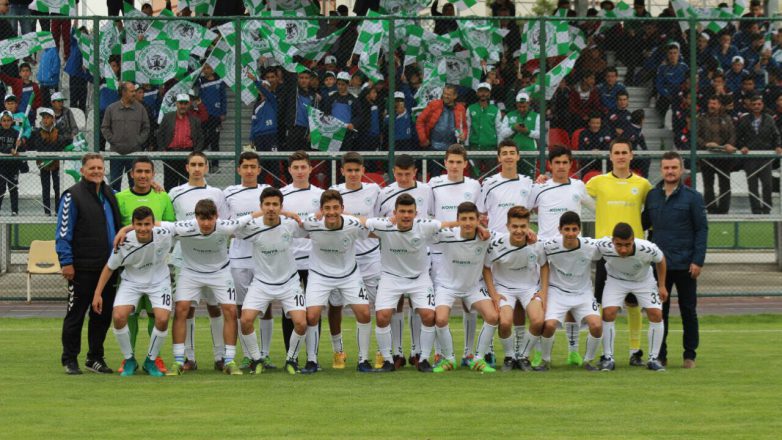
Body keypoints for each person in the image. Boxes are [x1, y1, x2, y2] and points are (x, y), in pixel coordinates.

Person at [119, 199, 255, 376]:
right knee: (181, 309)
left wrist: (285, 213)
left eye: (210, 218)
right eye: (202, 219)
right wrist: (124, 230)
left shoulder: (226, 226)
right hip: (190, 272)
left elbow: (251, 216)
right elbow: (152, 224)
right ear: (196, 218)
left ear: (217, 216)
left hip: (220, 273)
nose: (206, 223)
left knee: (230, 310)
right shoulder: (184, 227)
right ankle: (178, 361)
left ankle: (229, 361)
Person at [362, 194, 451, 373]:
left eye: (410, 212)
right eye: (402, 211)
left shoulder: (424, 226)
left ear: (416, 214)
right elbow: (361, 221)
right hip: (390, 277)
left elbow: (448, 224)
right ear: (394, 213)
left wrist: (479, 227)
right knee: (382, 317)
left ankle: (423, 359)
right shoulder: (384, 225)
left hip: (419, 278)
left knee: (428, 316)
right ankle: (388, 361)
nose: (406, 215)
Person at [586, 138, 652, 367]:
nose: (621, 156)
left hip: (634, 254)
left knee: (634, 304)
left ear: (631, 155)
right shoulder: (597, 182)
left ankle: (635, 351)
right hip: (607, 253)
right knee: (605, 304)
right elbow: (573, 191)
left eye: (625, 152)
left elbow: (654, 207)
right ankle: (606, 353)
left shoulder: (643, 185)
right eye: (617, 152)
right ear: (610, 156)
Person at [56, 153, 122, 375]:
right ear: (82, 171)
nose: (96, 171)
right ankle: (69, 359)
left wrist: (154, 186)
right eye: (92, 168)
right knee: (75, 315)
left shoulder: (110, 193)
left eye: (99, 168)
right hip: (82, 268)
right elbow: (63, 232)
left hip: (108, 268)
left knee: (102, 316)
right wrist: (66, 262)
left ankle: (94, 358)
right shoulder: (72, 196)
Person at [528, 147, 595, 364]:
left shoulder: (578, 186)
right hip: (545, 255)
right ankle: (539, 353)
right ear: (550, 165)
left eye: (565, 162)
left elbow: (596, 207)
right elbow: (522, 211)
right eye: (557, 162)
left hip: (573, 254)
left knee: (572, 304)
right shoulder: (539, 188)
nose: (561, 166)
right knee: (544, 304)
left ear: (570, 164)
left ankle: (573, 352)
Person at [643, 151, 708, 368]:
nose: (670, 171)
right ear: (661, 170)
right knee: (659, 312)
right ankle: (660, 355)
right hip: (659, 265)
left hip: (686, 264)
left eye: (674, 167)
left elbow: (701, 230)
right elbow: (643, 224)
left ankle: (690, 355)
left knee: (688, 311)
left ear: (681, 170)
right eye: (666, 168)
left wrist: (698, 260)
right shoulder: (652, 196)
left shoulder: (693, 197)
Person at [298, 190, 375, 374]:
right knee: (311, 316)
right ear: (321, 210)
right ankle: (311, 360)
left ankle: (363, 360)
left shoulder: (353, 224)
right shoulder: (311, 223)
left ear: (342, 208)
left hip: (349, 275)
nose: (331, 212)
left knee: (364, 313)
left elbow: (375, 231)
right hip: (319, 275)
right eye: (327, 208)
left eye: (335, 207)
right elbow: (289, 227)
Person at [91, 206, 172, 377]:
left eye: (147, 224)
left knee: (163, 318)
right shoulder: (123, 242)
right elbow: (109, 268)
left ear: (153, 224)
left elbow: (186, 227)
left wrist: (124, 228)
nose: (143, 228)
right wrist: (97, 294)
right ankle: (129, 360)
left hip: (159, 281)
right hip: (131, 282)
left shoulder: (165, 234)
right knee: (119, 316)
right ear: (133, 225)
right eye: (139, 224)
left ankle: (151, 361)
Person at [113, 156, 175, 373]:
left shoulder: (162, 197)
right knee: (128, 314)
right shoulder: (120, 198)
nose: (143, 175)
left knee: (156, 314)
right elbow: (115, 228)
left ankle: (154, 358)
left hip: (156, 268)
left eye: (147, 172)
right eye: (138, 171)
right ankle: (128, 358)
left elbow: (170, 226)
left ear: (153, 174)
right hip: (130, 267)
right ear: (131, 174)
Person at [235, 187, 307, 375]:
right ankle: (256, 359)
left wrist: (291, 215)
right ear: (261, 206)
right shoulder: (252, 227)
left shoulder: (290, 225)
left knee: (301, 323)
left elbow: (311, 226)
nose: (271, 208)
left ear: (281, 207)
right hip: (261, 284)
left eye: (275, 204)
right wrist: (254, 215)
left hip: (290, 283)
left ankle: (291, 360)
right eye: (267, 204)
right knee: (245, 320)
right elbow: (232, 227)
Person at [168, 151, 229, 371]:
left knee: (215, 307)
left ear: (206, 167)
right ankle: (189, 358)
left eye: (200, 164)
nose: (196, 168)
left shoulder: (217, 193)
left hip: (213, 260)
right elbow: (170, 223)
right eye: (192, 164)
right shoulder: (175, 193)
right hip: (184, 258)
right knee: (186, 308)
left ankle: (220, 356)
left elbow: (223, 223)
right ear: (186, 167)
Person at [428, 144, 483, 367]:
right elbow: (430, 216)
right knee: (439, 304)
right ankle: (440, 353)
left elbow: (479, 215)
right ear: (445, 163)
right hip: (440, 251)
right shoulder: (434, 184)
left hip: (467, 250)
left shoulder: (474, 185)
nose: (454, 166)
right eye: (450, 162)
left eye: (458, 162)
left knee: (470, 303)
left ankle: (468, 353)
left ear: (465, 164)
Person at [375, 153, 432, 365]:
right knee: (395, 305)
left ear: (415, 172)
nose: (404, 178)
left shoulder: (427, 190)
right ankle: (397, 352)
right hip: (394, 259)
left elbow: (434, 218)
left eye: (408, 174)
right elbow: (377, 222)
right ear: (394, 172)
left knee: (420, 306)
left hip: (420, 256)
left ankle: (417, 351)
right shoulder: (385, 193)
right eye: (399, 174)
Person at [431, 202, 496, 374]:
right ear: (457, 219)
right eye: (463, 219)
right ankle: (449, 359)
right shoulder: (447, 234)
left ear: (478, 220)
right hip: (446, 286)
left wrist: (530, 233)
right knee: (441, 319)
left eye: (471, 219)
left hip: (472, 286)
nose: (467, 223)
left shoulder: (486, 237)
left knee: (492, 316)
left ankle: (478, 359)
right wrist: (455, 224)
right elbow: (426, 229)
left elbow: (510, 236)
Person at [330, 152, 382, 366]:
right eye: (349, 170)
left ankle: (381, 351)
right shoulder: (334, 192)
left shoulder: (374, 190)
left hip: (371, 258)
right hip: (343, 259)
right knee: (335, 306)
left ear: (363, 171)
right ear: (342, 171)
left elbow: (380, 221)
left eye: (356, 170)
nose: (353, 174)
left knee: (379, 305)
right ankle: (338, 351)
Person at [222, 151, 272, 371]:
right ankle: (248, 355)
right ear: (239, 169)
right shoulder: (228, 193)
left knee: (266, 307)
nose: (249, 170)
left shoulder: (267, 191)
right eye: (245, 166)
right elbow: (226, 225)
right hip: (239, 258)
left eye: (253, 166)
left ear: (259, 170)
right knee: (242, 308)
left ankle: (265, 354)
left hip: (263, 258)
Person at [534, 211, 603, 371]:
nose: (570, 233)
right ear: (560, 229)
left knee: (596, 325)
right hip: (557, 292)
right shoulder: (549, 245)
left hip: (583, 292)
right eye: (567, 229)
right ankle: (545, 361)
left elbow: (611, 243)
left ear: (579, 230)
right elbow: (533, 243)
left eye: (574, 229)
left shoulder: (590, 246)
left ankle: (588, 361)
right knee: (549, 325)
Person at [596, 222, 668, 372]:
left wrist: (661, 285)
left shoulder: (647, 248)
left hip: (643, 281)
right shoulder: (603, 245)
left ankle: (653, 359)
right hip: (616, 280)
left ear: (633, 240)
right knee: (608, 313)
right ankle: (608, 358)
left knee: (656, 314)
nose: (623, 249)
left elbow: (661, 260)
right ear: (612, 241)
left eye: (627, 245)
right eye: (619, 245)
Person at [482, 206, 545, 372]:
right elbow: (486, 268)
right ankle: (509, 356)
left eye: (523, 226)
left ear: (529, 226)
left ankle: (523, 356)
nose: (519, 230)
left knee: (538, 321)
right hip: (504, 289)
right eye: (514, 226)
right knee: (505, 322)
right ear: (508, 226)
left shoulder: (536, 244)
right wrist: (494, 294)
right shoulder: (497, 245)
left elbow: (545, 265)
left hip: (529, 288)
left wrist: (543, 291)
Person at [279, 151, 325, 362]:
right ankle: (292, 357)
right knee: (290, 310)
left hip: (315, 260)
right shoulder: (281, 195)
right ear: (289, 170)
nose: (299, 171)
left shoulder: (320, 195)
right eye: (295, 167)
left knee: (313, 310)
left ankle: (312, 358)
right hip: (289, 260)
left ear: (310, 169)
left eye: (303, 167)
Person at [736, 95, 782, 214]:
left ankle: (767, 208)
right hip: (750, 156)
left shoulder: (769, 119)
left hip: (765, 156)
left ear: (762, 105)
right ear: (750, 106)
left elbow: (776, 135)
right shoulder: (744, 119)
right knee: (752, 185)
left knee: (767, 184)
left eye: (759, 104)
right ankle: (756, 209)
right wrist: (742, 146)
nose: (756, 106)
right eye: (754, 104)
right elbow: (738, 137)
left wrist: (778, 146)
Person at [101, 81, 150, 192]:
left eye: (134, 91)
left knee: (135, 183)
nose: (134, 93)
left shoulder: (141, 109)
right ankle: (115, 202)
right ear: (123, 92)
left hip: (134, 154)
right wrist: (113, 140)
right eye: (132, 91)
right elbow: (105, 128)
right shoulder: (111, 109)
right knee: (115, 183)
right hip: (116, 154)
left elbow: (146, 128)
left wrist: (138, 141)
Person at [478, 139, 533, 233]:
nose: (508, 156)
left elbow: (534, 208)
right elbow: (480, 211)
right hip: (496, 239)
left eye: (512, 153)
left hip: (520, 237)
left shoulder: (528, 182)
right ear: (499, 158)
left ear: (518, 156)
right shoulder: (489, 183)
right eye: (504, 153)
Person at [697, 95, 736, 214]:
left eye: (714, 103)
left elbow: (733, 134)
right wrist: (706, 144)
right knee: (708, 184)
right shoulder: (701, 118)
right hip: (707, 156)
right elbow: (696, 136)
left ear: (719, 105)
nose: (711, 106)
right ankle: (711, 209)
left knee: (725, 184)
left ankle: (724, 210)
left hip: (724, 156)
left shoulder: (727, 118)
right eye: (710, 103)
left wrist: (729, 144)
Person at [157, 93, 204, 191]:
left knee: (186, 184)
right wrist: (162, 151)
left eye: (185, 103)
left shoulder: (195, 120)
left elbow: (200, 138)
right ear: (176, 104)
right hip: (170, 155)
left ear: (189, 104)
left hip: (188, 154)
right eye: (180, 103)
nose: (183, 106)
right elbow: (160, 134)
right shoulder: (168, 117)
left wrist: (196, 153)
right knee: (170, 184)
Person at [28, 108, 65, 215]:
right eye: (44, 118)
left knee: (57, 188)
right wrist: (52, 146)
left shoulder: (59, 131)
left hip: (56, 164)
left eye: (48, 117)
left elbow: (60, 146)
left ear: (53, 119)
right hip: (43, 164)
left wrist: (50, 145)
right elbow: (39, 147)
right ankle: (47, 212)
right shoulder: (38, 132)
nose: (45, 120)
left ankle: (58, 211)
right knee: (46, 188)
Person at [500, 91, 540, 178]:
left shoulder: (536, 116)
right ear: (516, 104)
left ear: (528, 104)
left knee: (529, 178)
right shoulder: (509, 115)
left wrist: (527, 132)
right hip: (512, 153)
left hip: (530, 151)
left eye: (524, 106)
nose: (522, 109)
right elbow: (502, 133)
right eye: (519, 106)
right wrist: (513, 128)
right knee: (512, 178)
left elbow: (540, 134)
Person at [195, 63, 227, 170]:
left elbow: (223, 97)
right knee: (203, 139)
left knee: (215, 140)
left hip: (216, 115)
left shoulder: (220, 81)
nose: (206, 70)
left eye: (208, 68)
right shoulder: (200, 81)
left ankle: (215, 165)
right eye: (204, 68)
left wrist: (223, 112)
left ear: (213, 69)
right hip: (203, 115)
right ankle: (201, 163)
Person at [655, 43, 689, 128]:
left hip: (680, 93)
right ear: (667, 54)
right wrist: (666, 93)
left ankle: (680, 123)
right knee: (661, 102)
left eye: (675, 53)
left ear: (678, 54)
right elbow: (659, 84)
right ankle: (664, 122)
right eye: (670, 53)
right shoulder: (662, 68)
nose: (673, 55)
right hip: (668, 93)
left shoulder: (684, 67)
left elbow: (687, 82)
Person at [466, 82, 503, 153]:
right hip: (474, 146)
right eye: (481, 91)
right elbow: (467, 128)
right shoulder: (470, 108)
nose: (483, 94)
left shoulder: (495, 110)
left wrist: (499, 146)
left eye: (486, 91)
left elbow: (499, 129)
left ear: (489, 94)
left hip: (491, 147)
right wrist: (466, 145)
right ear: (477, 93)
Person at [0, 110, 20, 215]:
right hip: (1, 166)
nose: (6, 122)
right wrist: (9, 150)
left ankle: (14, 210)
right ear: (0, 121)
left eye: (8, 120)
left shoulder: (16, 133)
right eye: (4, 120)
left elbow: (20, 150)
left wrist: (20, 144)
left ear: (12, 121)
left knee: (13, 188)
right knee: (1, 188)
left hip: (13, 166)